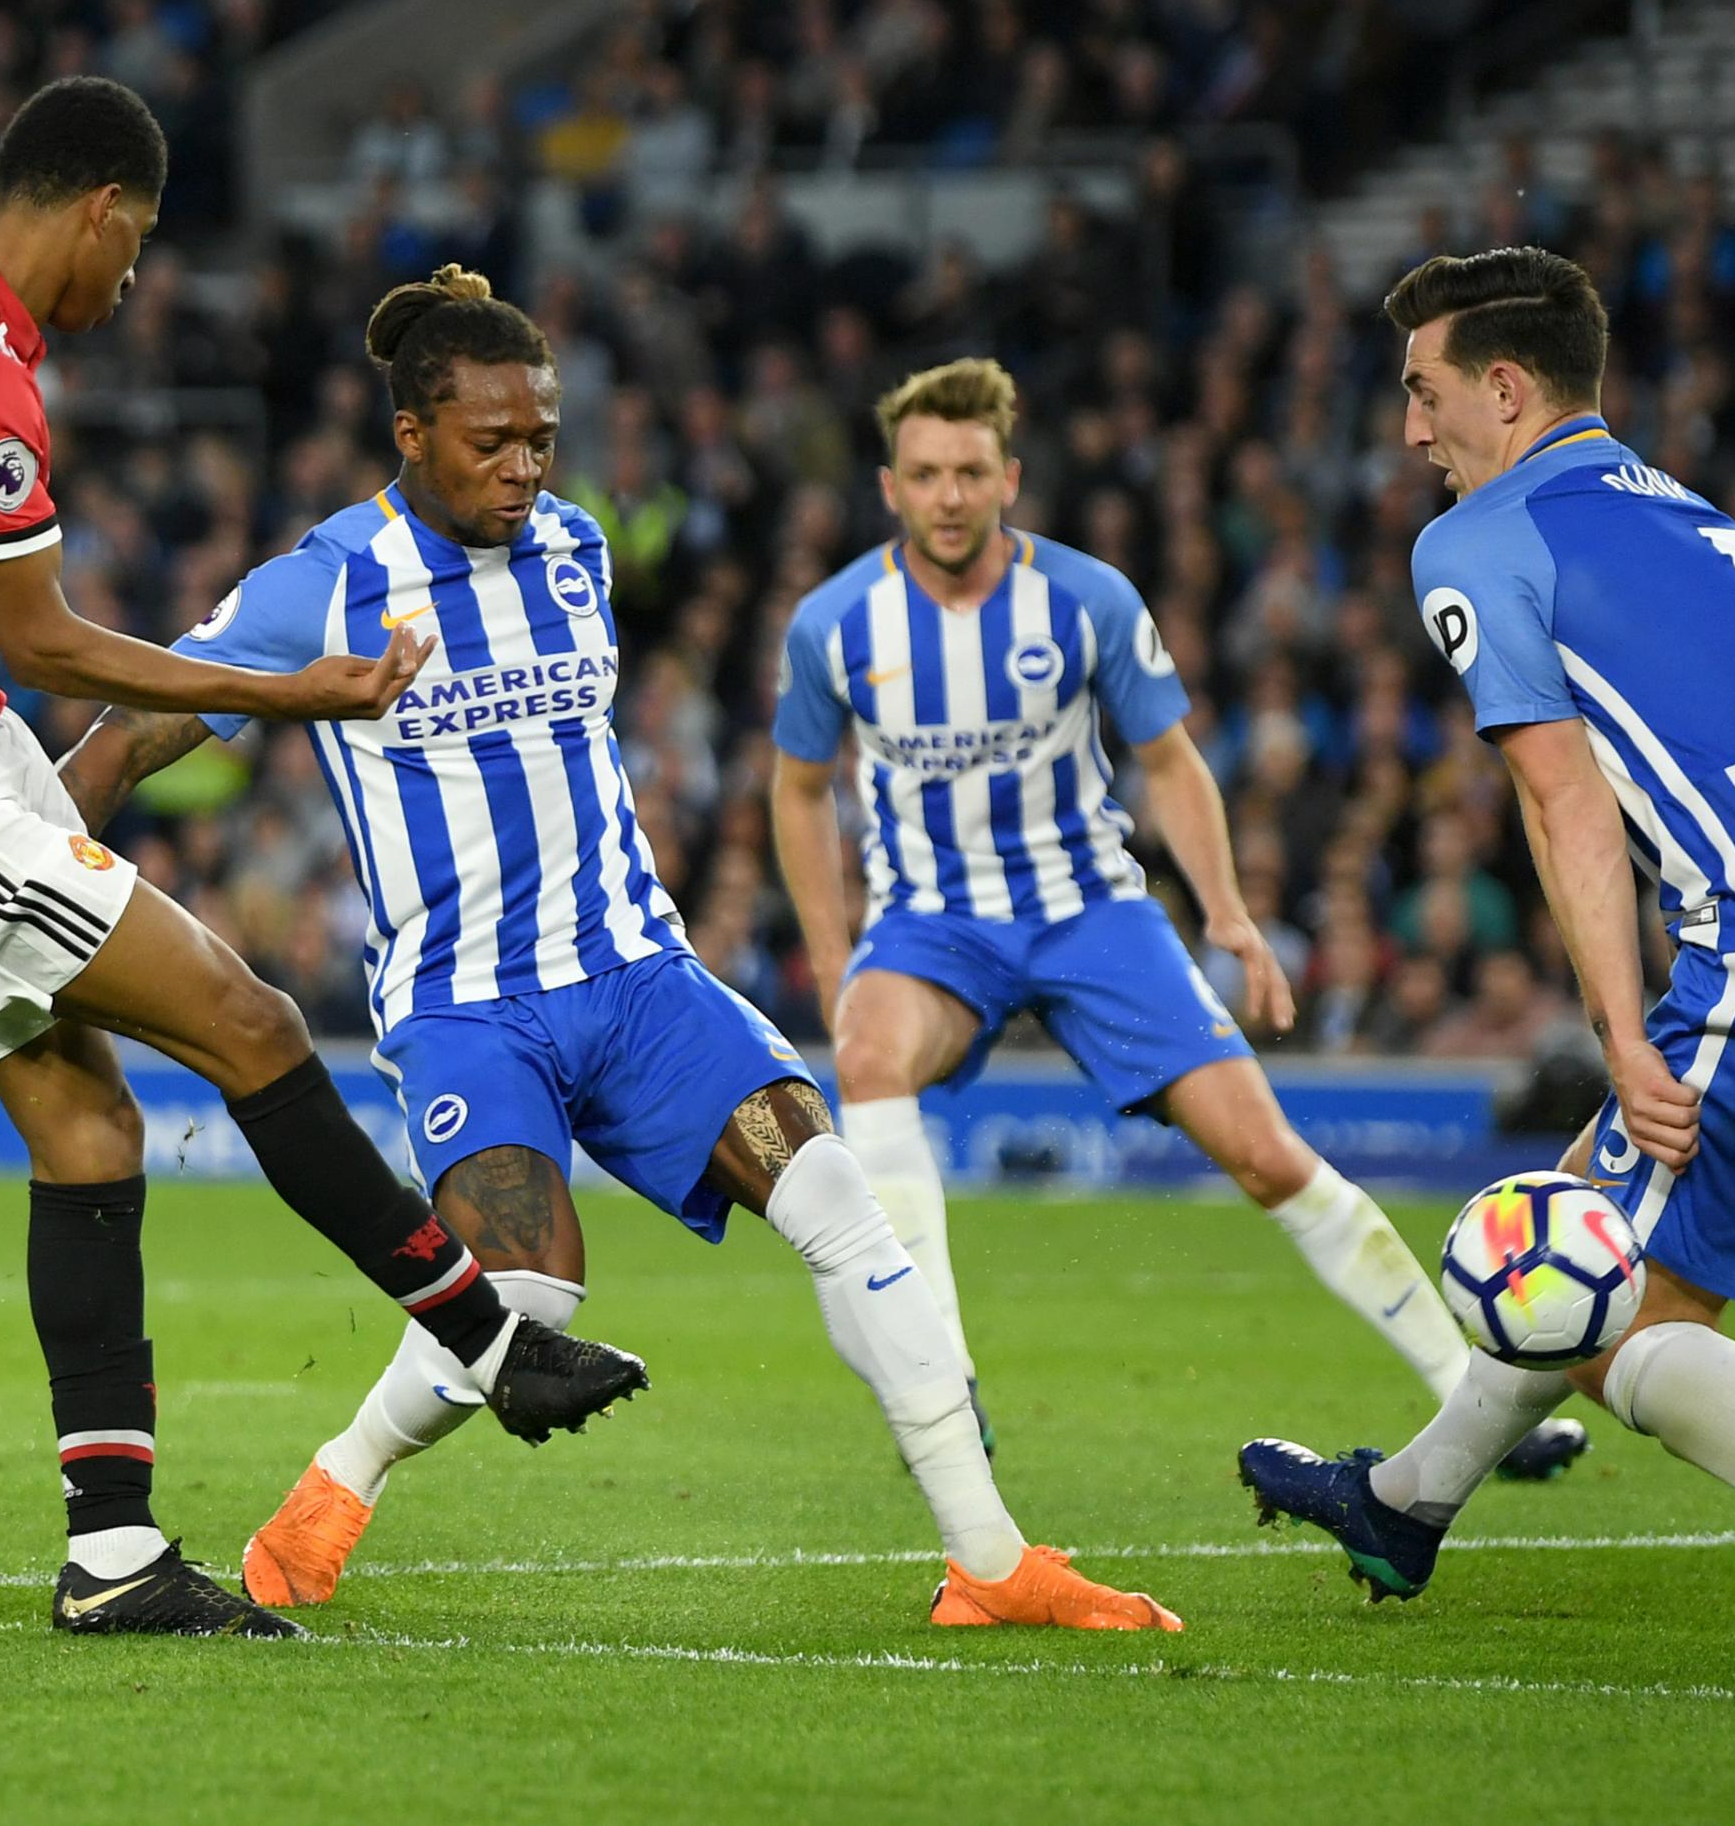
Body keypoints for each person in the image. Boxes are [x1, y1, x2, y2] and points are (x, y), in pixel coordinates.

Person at [58, 264, 1180, 1632]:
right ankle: (332, 1490)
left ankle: (990, 1560)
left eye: (541, 437)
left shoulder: (578, 548)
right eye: (492, 442)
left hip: (639, 974)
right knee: (525, 1292)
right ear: (411, 434)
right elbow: (129, 733)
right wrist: (23, 884)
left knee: (844, 1208)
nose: (524, 467)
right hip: (471, 1004)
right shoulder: (328, 583)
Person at [0, 79, 646, 1642]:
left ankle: (113, 1558)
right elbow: (41, 637)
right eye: (141, 241)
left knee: (92, 1132)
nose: (137, 278)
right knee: (251, 1023)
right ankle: (493, 1344)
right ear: (98, 207)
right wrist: (291, 692)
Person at [1242, 246, 1735, 1650]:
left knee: (1610, 1321)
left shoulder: (1476, 540)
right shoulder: (1677, 504)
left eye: (1424, 393)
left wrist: (1622, 1029)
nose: (1410, 431)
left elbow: (1565, 800)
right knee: (1603, 1244)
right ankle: (1405, 1502)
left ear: (1505, 384)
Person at [768, 358, 1587, 1478]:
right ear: (888, 485)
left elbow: (1170, 762)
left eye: (968, 471)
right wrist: (833, 950)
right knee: (864, 1054)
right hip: (931, 924)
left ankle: (1480, 1408)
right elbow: (798, 787)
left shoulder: (1087, 599)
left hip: (1090, 912)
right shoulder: (835, 624)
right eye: (924, 474)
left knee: (1264, 1156)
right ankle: (935, 1374)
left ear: (1007, 476)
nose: (948, 494)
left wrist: (1232, 918)